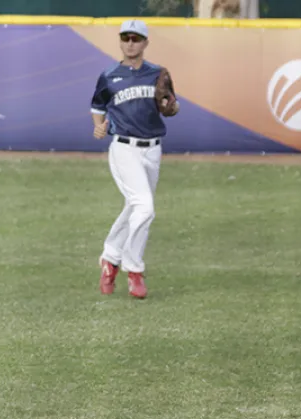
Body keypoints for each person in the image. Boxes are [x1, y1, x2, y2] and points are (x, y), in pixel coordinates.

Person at [90, 19, 179, 299]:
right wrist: (99, 126)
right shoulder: (109, 76)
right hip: (124, 148)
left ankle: (109, 259)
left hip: (152, 149)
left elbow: (171, 106)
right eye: (126, 38)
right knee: (145, 207)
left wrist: (171, 106)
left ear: (145, 42)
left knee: (135, 207)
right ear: (120, 41)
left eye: (136, 38)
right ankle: (134, 270)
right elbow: (97, 106)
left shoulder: (157, 73)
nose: (130, 43)